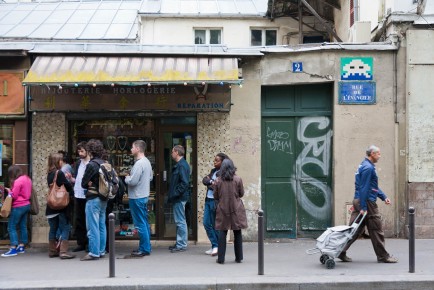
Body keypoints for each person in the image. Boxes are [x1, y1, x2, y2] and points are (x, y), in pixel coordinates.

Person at [338, 145, 398, 263]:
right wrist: (364, 207)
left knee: (354, 230)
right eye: (378, 154)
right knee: (376, 229)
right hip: (366, 202)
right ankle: (383, 256)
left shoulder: (364, 165)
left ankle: (340, 251)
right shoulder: (368, 168)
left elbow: (372, 186)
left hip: (360, 200)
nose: (380, 156)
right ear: (372, 154)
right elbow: (364, 188)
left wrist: (383, 197)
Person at [214, 159, 247, 264]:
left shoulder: (218, 180)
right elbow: (241, 193)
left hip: (223, 208)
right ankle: (239, 257)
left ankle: (221, 259)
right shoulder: (238, 179)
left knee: (222, 232)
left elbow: (215, 196)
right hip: (236, 208)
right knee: (237, 232)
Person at [80, 139, 109, 261]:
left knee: (93, 226)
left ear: (90, 151)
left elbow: (83, 183)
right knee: (102, 225)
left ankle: (94, 252)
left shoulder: (91, 165)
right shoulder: (104, 163)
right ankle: (101, 250)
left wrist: (89, 183)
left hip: (93, 198)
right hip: (104, 197)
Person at [124, 140, 153, 257]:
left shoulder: (139, 163)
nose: (131, 149)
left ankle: (145, 248)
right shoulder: (147, 162)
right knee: (144, 223)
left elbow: (133, 181)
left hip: (136, 196)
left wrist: (127, 178)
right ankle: (145, 247)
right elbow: (150, 177)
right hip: (143, 195)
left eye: (132, 147)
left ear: (137, 149)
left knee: (140, 224)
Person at [45, 153, 75, 259]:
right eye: (61, 160)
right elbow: (68, 187)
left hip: (51, 206)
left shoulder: (49, 173)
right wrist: (71, 184)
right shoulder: (59, 173)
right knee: (65, 227)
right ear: (58, 161)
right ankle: (63, 252)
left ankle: (52, 251)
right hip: (61, 206)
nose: (62, 162)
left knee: (53, 228)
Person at [1, 165, 32, 257]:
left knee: (11, 226)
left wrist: (9, 191)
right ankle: (22, 246)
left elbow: (14, 196)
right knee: (23, 225)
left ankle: (13, 248)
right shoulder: (27, 179)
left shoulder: (18, 181)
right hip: (26, 205)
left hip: (18, 206)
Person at [202, 153, 229, 256]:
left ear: (222, 162)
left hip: (215, 201)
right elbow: (205, 180)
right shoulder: (213, 171)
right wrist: (211, 182)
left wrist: (211, 182)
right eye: (214, 160)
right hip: (208, 200)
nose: (214, 162)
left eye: (217, 160)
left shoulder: (224, 173)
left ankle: (217, 246)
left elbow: (217, 187)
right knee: (206, 223)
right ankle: (215, 245)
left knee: (215, 225)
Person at [67, 141, 89, 252]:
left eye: (82, 151)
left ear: (87, 151)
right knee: (79, 219)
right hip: (78, 194)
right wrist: (71, 179)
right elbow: (77, 179)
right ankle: (81, 243)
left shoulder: (91, 163)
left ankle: (90, 243)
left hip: (88, 195)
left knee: (89, 220)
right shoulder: (77, 163)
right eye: (78, 151)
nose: (80, 153)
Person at [167, 145, 190, 253]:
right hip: (179, 197)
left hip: (179, 198)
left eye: (172, 152)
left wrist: (175, 194)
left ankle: (181, 244)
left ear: (176, 152)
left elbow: (184, 183)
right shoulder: (181, 164)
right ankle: (179, 242)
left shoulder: (181, 165)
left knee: (180, 221)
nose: (171, 154)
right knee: (179, 221)